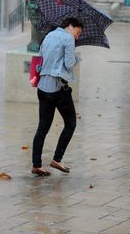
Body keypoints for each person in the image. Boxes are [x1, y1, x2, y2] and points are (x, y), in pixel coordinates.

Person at [31, 17, 83, 176]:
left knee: (43, 127)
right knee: (71, 123)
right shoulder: (68, 38)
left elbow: (41, 58)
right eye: (78, 32)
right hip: (58, 88)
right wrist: (76, 59)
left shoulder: (48, 35)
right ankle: (57, 159)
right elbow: (68, 64)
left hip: (42, 88)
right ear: (71, 26)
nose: (77, 36)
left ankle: (37, 165)